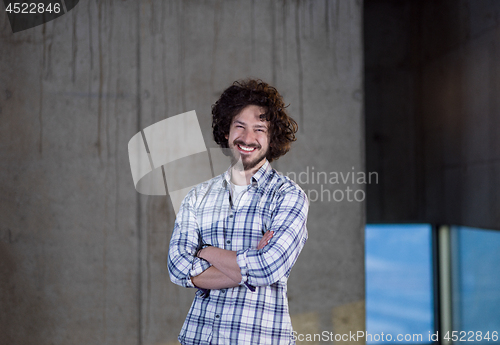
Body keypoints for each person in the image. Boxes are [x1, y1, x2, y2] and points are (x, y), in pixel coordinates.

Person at [168, 79, 309, 345]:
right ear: (226, 131)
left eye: (259, 129)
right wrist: (249, 264)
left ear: (272, 137)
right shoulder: (198, 197)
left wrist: (204, 251)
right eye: (239, 126)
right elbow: (176, 267)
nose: (247, 138)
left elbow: (268, 267)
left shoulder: (288, 197)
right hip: (199, 338)